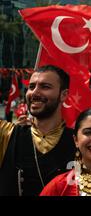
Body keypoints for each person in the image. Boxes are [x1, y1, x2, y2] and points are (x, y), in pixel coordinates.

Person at [0, 65, 76, 196]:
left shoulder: (81, 141)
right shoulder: (6, 134)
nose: (35, 92)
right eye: (31, 87)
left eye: (45, 87)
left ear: (63, 95)